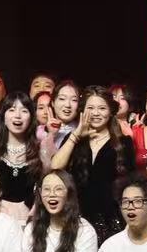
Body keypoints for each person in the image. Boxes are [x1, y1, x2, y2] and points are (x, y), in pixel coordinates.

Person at [53, 88, 136, 241]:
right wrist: (76, 136)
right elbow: (55, 168)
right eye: (90, 108)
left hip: (112, 218)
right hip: (77, 215)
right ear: (82, 111)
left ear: (110, 111)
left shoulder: (124, 143)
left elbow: (131, 183)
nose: (96, 113)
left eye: (102, 108)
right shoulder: (73, 140)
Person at [17, 171, 99, 252]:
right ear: (40, 193)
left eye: (58, 189)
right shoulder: (31, 229)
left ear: (69, 193)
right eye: (47, 189)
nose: (52, 194)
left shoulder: (85, 230)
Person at [0, 93, 44, 214]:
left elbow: (45, 188)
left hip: (28, 218)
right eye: (12, 110)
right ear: (3, 117)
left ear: (31, 118)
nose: (18, 116)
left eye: (24, 111)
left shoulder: (40, 150)